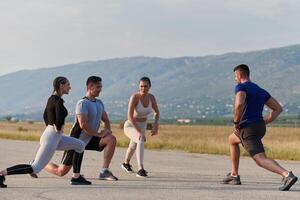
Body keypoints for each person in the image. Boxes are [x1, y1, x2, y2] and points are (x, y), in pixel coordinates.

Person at [222, 64, 298, 191]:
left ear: (240, 75)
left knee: (260, 159)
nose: (235, 79)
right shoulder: (260, 90)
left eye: (235, 76)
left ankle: (287, 175)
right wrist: (265, 121)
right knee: (232, 140)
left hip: (247, 128)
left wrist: (236, 122)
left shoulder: (241, 87)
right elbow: (278, 109)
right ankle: (234, 175)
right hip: (259, 127)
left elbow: (239, 103)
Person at [0, 77, 85, 188]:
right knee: (35, 168)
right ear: (61, 85)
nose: (70, 87)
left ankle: (76, 177)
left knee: (80, 145)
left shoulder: (52, 99)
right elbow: (59, 118)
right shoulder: (58, 100)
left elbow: (45, 115)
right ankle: (1, 173)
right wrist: (58, 128)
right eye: (68, 84)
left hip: (54, 135)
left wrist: (52, 128)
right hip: (52, 137)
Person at [43, 76, 118, 185]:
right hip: (76, 140)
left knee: (111, 139)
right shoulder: (82, 103)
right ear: (90, 87)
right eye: (98, 87)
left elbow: (106, 120)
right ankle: (40, 164)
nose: (100, 89)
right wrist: (98, 134)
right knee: (61, 171)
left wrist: (107, 131)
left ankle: (104, 171)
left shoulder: (99, 103)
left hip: (90, 138)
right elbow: (83, 125)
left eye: (101, 86)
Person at [121, 77, 160, 177]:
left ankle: (126, 163)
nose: (143, 88)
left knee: (133, 146)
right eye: (141, 86)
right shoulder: (135, 97)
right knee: (140, 138)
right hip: (131, 125)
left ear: (150, 86)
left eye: (146, 86)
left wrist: (155, 124)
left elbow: (156, 112)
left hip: (142, 125)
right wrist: (139, 131)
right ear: (139, 87)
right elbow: (129, 116)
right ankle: (141, 169)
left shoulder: (152, 97)